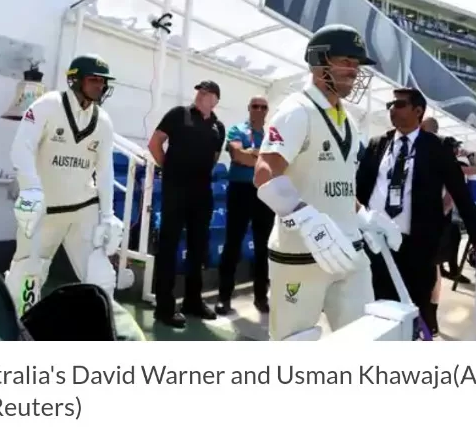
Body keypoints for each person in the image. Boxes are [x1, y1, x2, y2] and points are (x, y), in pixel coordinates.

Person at [254, 24, 401, 341]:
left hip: (350, 251)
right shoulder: (297, 110)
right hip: (300, 254)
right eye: (346, 61)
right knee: (295, 344)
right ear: (320, 62)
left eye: (356, 64)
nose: (354, 71)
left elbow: (337, 184)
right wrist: (305, 217)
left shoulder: (348, 119)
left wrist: (364, 216)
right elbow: (264, 172)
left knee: (363, 340)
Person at [356, 87, 476, 331]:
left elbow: (460, 193)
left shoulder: (437, 147)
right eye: (390, 105)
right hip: (377, 245)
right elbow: (359, 190)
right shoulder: (378, 144)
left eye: (399, 104)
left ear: (418, 111)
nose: (392, 109)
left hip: (417, 248)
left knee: (415, 309)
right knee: (379, 312)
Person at [5, 54, 123, 316]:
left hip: (83, 208)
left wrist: (108, 214)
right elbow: (21, 147)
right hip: (45, 209)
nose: (100, 86)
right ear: (75, 79)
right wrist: (31, 188)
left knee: (101, 276)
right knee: (28, 276)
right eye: (93, 80)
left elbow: (105, 170)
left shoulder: (103, 121)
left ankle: (101, 329)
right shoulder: (49, 105)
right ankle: (19, 328)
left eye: (103, 81)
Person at [148, 81, 226, 328]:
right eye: (199, 91)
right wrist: (170, 171)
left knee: (198, 247)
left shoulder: (218, 127)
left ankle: (193, 301)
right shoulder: (178, 114)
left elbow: (214, 158)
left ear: (215, 100)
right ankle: (164, 307)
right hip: (176, 191)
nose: (200, 94)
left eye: (206, 92)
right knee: (168, 246)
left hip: (202, 193)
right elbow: (154, 143)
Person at [215, 96, 274, 315]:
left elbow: (276, 163)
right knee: (232, 244)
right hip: (240, 191)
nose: (259, 110)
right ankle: (224, 297)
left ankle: (261, 297)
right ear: (249, 108)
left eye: (263, 107)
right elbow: (239, 156)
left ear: (267, 111)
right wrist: (262, 158)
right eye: (255, 106)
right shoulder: (236, 129)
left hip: (264, 193)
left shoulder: (271, 135)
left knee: (263, 247)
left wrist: (252, 154)